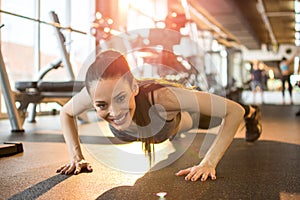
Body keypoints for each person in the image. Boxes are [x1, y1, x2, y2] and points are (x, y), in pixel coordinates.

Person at [56, 50, 261, 182]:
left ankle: (254, 112)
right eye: (101, 105)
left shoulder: (164, 98)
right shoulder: (94, 92)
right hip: (157, 129)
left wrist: (208, 162)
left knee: (210, 117)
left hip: (177, 122)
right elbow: (66, 112)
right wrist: (76, 158)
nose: (114, 112)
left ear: (134, 87)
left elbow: (234, 111)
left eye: (120, 98)